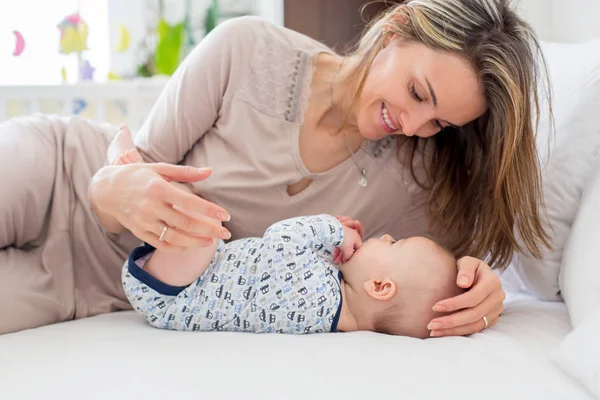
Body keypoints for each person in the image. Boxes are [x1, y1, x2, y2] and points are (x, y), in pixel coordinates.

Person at [0, 0, 550, 336]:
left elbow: (434, 282)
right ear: (397, 28)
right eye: (416, 92)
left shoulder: (417, 188)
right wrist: (109, 191)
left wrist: (484, 291)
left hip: (90, 289)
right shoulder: (248, 50)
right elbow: (138, 167)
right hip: (59, 175)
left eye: (438, 123)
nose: (412, 124)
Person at [122, 211, 461, 339]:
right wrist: (335, 248)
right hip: (182, 280)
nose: (385, 237)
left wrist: (330, 228)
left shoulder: (318, 297)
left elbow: (280, 238)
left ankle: (132, 167)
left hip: (175, 293)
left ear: (380, 287)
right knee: (199, 225)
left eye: (394, 244)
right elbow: (284, 272)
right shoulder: (329, 307)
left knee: (203, 226)